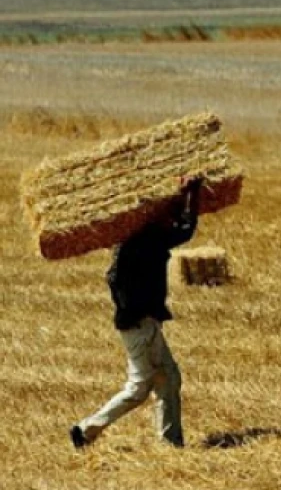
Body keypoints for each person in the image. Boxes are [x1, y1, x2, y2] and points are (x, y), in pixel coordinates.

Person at [71, 176, 203, 450]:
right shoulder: (146, 241)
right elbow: (184, 230)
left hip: (137, 323)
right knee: (140, 387)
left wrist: (183, 196)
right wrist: (193, 194)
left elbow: (173, 226)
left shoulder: (129, 242)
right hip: (141, 325)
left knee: (165, 379)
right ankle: (85, 430)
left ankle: (169, 441)